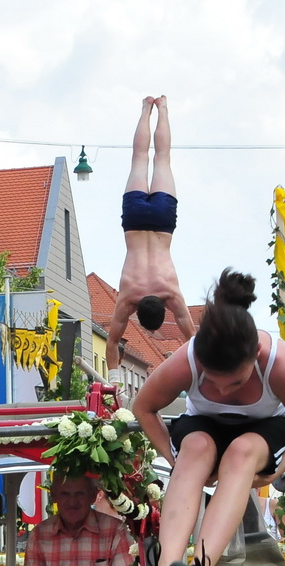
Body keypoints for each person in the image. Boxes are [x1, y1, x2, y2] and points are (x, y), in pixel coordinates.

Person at [130, 270, 285, 566]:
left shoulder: (277, 363)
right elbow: (144, 408)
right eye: (214, 383)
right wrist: (176, 463)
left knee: (241, 453)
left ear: (254, 356)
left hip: (263, 428)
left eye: (234, 383)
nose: (223, 393)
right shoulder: (188, 359)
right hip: (204, 428)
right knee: (194, 452)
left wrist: (274, 472)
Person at [106, 96, 193, 368]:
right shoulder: (127, 296)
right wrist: (114, 377)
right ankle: (146, 109)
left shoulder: (171, 293)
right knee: (140, 158)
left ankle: (163, 108)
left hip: (163, 222)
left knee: (163, 159)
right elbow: (112, 342)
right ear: (137, 310)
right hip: (133, 221)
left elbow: (192, 336)